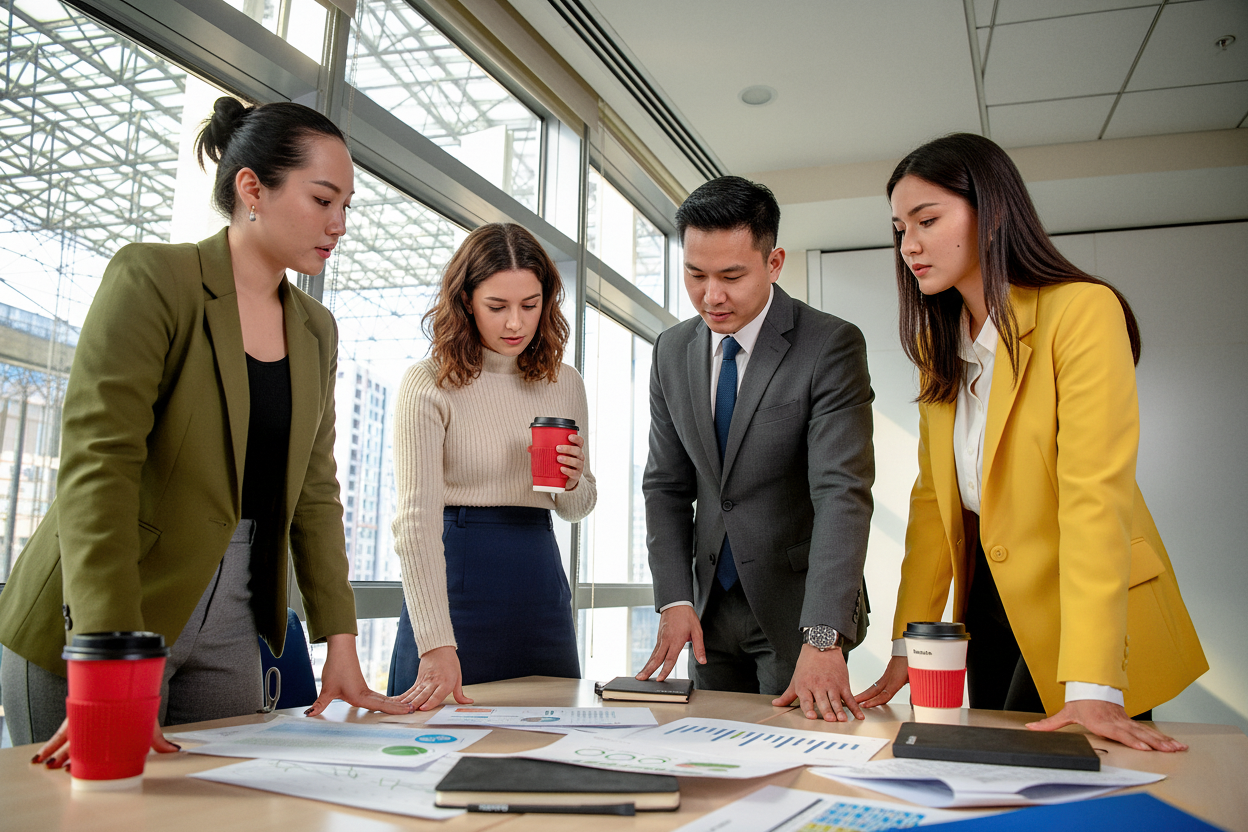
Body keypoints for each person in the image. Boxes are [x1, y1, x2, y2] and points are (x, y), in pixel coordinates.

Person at [0, 97, 409, 762]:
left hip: (232, 620)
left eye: (347, 207)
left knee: (226, 807)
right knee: (96, 812)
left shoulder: (315, 329)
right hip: (106, 609)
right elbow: (99, 465)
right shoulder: (155, 279)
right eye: (323, 199)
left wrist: (340, 642)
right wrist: (108, 648)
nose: (339, 224)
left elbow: (315, 490)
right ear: (253, 188)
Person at [855, 133, 1207, 752]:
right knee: (1002, 783)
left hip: (1087, 605)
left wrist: (1094, 681)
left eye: (927, 220)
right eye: (899, 228)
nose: (909, 245)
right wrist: (907, 648)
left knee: (1076, 789)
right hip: (988, 605)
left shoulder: (1081, 311)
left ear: (990, 213)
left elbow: (1096, 497)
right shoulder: (943, 349)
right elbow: (934, 508)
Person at [637, 176, 875, 722]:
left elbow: (842, 492)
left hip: (796, 611)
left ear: (774, 263)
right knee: (709, 759)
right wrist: (674, 597)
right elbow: (666, 486)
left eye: (731, 276)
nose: (711, 296)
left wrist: (824, 634)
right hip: (706, 613)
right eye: (695, 275)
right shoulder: (671, 351)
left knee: (796, 764)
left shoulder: (829, 345)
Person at [387, 222, 595, 710]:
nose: (515, 324)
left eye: (530, 305)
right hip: (456, 575)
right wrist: (436, 640)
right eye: (497, 307)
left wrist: (572, 479)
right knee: (434, 745)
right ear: (465, 302)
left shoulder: (564, 382)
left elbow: (577, 507)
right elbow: (415, 522)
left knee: (552, 737)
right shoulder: (428, 382)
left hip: (539, 576)